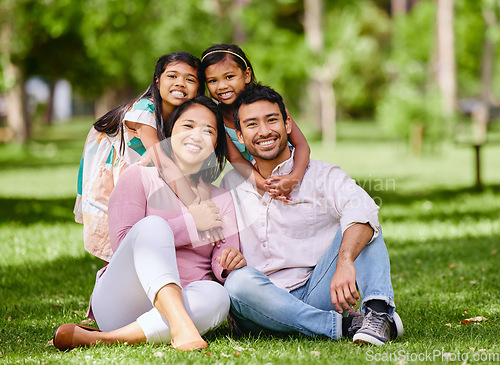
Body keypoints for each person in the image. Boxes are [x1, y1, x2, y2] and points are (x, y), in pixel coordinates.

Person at [53, 96, 245, 351]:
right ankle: (178, 324)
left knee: (218, 297)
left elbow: (222, 257)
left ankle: (105, 338)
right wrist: (191, 225)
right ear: (168, 133)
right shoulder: (140, 177)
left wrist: (229, 259)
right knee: (152, 227)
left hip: (188, 300)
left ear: (216, 143)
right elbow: (124, 245)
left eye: (208, 130)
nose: (197, 136)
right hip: (124, 299)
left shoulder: (221, 198)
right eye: (188, 126)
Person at [221, 84, 404, 346]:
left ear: (287, 124)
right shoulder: (231, 184)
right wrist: (227, 257)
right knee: (238, 283)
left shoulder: (321, 175)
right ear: (239, 134)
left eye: (272, 120)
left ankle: (377, 313)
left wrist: (345, 260)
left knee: (362, 217)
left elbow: (362, 210)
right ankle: (344, 325)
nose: (264, 131)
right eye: (252, 124)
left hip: (319, 290)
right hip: (261, 299)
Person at [75, 52, 223, 264]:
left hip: (142, 162)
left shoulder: (184, 116)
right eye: (172, 76)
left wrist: (205, 198)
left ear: (198, 88)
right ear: (157, 80)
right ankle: (112, 278)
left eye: (190, 79)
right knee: (118, 225)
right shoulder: (145, 108)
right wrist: (195, 209)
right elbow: (161, 160)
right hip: (112, 161)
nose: (180, 83)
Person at [201, 44, 311, 203]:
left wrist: (294, 177)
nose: (222, 86)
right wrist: (267, 186)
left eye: (229, 77)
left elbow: (301, 144)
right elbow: (236, 159)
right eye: (212, 81)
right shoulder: (217, 117)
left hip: (290, 169)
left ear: (246, 75)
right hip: (255, 179)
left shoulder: (268, 104)